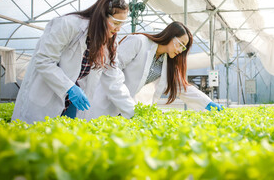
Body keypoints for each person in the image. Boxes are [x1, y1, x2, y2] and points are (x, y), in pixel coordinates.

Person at [12, 0, 136, 124]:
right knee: (39, 137)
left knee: (65, 139)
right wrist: (69, 87)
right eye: (116, 23)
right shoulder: (68, 25)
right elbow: (44, 60)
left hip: (72, 103)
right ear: (101, 17)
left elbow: (114, 79)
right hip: (46, 96)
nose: (118, 29)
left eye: (121, 24)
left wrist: (131, 112)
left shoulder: (108, 43)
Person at [84, 21, 223, 119]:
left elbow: (182, 87)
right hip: (107, 101)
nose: (180, 50)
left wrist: (207, 103)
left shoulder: (167, 62)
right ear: (170, 36)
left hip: (128, 109)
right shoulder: (139, 42)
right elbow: (112, 70)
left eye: (184, 48)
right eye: (180, 44)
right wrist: (125, 103)